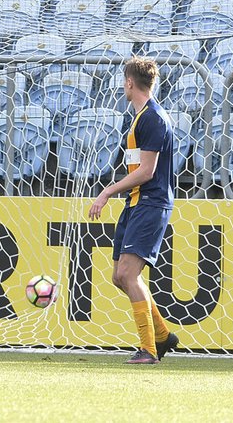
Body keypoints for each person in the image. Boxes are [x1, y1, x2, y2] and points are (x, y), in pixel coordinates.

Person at [88, 57, 180, 365]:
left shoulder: (153, 118)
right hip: (137, 202)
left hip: (151, 202)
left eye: (123, 81)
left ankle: (149, 349)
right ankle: (164, 336)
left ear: (130, 82)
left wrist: (107, 191)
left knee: (129, 273)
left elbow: (147, 171)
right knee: (119, 276)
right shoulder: (141, 117)